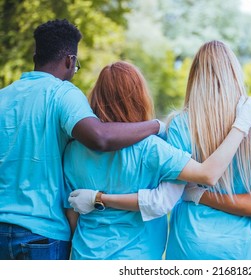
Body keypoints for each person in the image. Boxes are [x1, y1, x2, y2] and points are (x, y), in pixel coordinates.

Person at [69, 41, 251, 260]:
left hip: (188, 248)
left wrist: (194, 192)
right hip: (238, 252)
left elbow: (165, 198)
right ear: (234, 73)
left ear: (195, 77)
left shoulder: (179, 125)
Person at [0, 19, 166, 260]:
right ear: (70, 60)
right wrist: (156, 125)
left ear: (36, 55)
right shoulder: (62, 93)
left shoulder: (4, 96)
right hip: (41, 234)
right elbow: (100, 137)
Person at [63, 61, 251, 259]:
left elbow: (72, 213)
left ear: (96, 96)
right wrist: (241, 124)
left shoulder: (73, 150)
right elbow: (205, 175)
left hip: (86, 254)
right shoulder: (152, 148)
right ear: (139, 97)